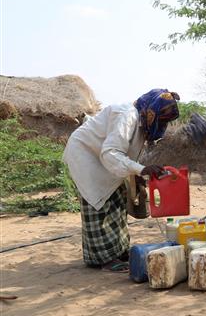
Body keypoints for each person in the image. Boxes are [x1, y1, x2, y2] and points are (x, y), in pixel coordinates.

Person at [63, 89, 180, 272]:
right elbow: (111, 152)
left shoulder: (142, 122)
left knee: (117, 199)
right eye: (162, 118)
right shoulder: (127, 116)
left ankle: (119, 250)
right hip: (86, 154)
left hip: (102, 156)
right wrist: (141, 170)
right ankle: (104, 258)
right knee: (99, 201)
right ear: (152, 110)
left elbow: (125, 152)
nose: (162, 123)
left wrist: (138, 173)